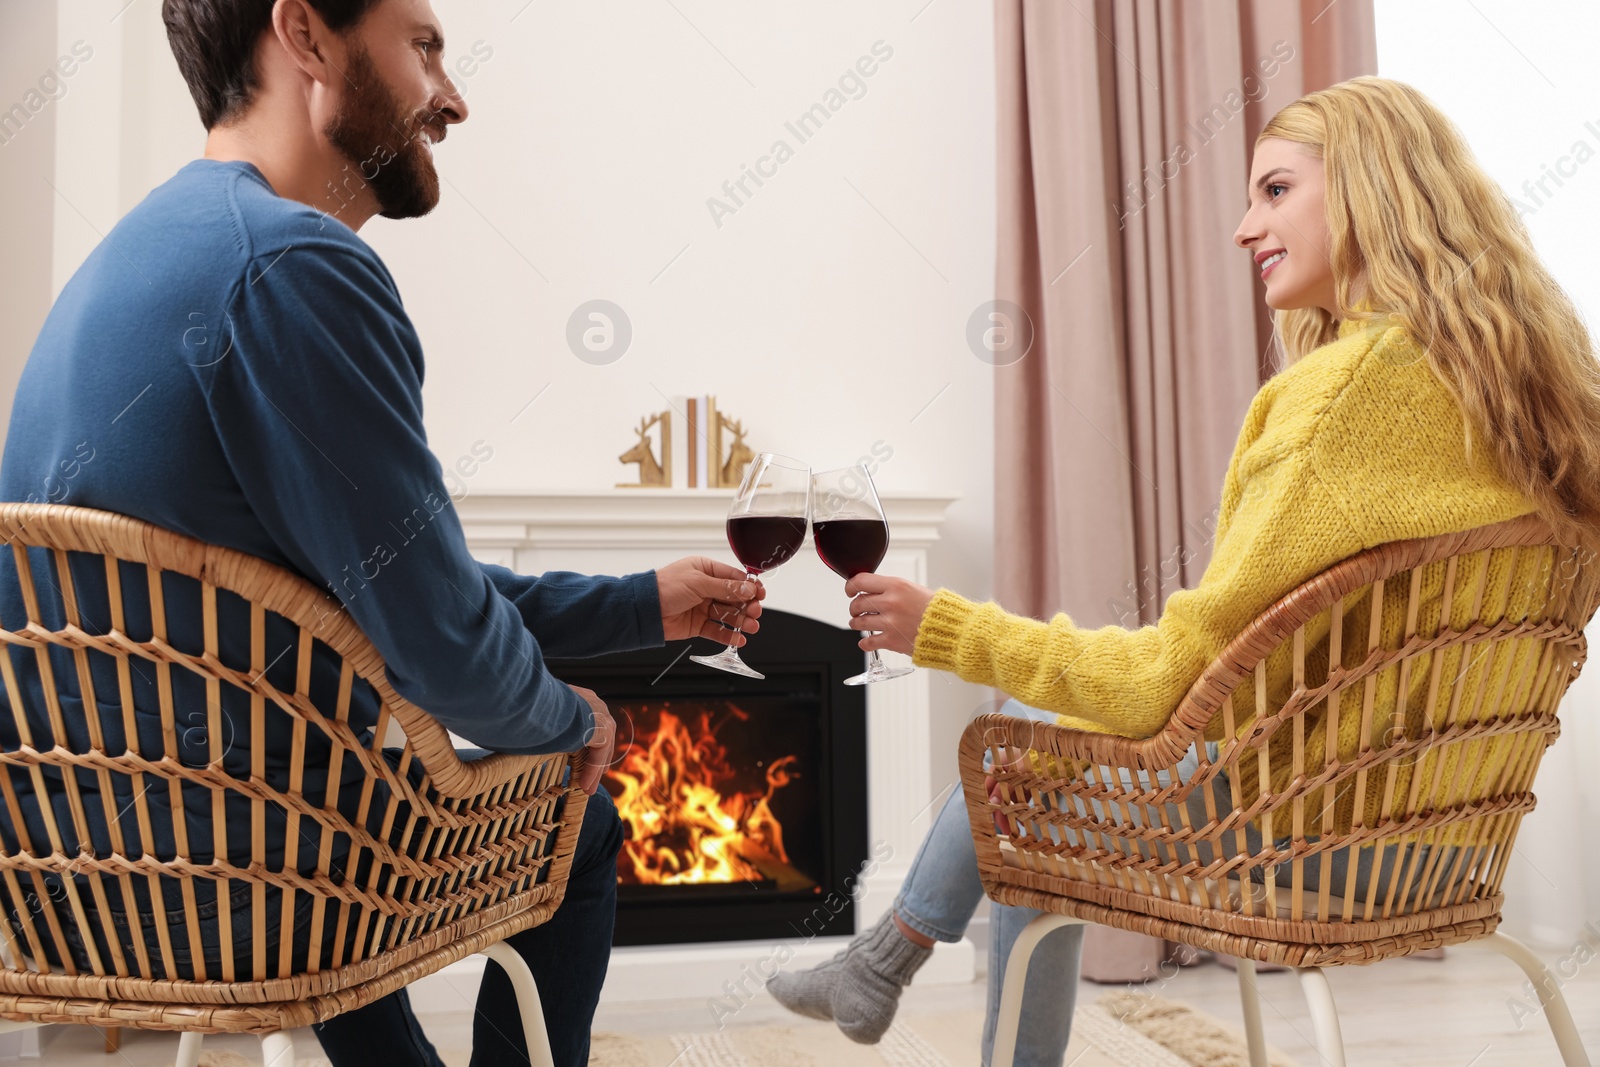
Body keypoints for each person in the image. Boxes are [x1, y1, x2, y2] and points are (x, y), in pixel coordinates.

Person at [770, 76, 1600, 1065]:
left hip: (1308, 833)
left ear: (1372, 188)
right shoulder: (1539, 391)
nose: (1246, 226)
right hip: (1448, 835)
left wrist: (948, 627)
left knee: (1020, 751)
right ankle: (883, 958)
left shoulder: (1339, 401)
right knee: (1043, 748)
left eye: (1275, 190)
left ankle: (886, 956)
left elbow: (1171, 678)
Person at [0, 2, 765, 1065]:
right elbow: (442, 644)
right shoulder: (293, 266)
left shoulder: (135, 257)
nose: (452, 97)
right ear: (306, 36)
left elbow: (378, 585)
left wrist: (637, 602)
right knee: (575, 824)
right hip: (253, 881)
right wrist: (569, 718)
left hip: (68, 873)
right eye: (424, 47)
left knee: (347, 785)